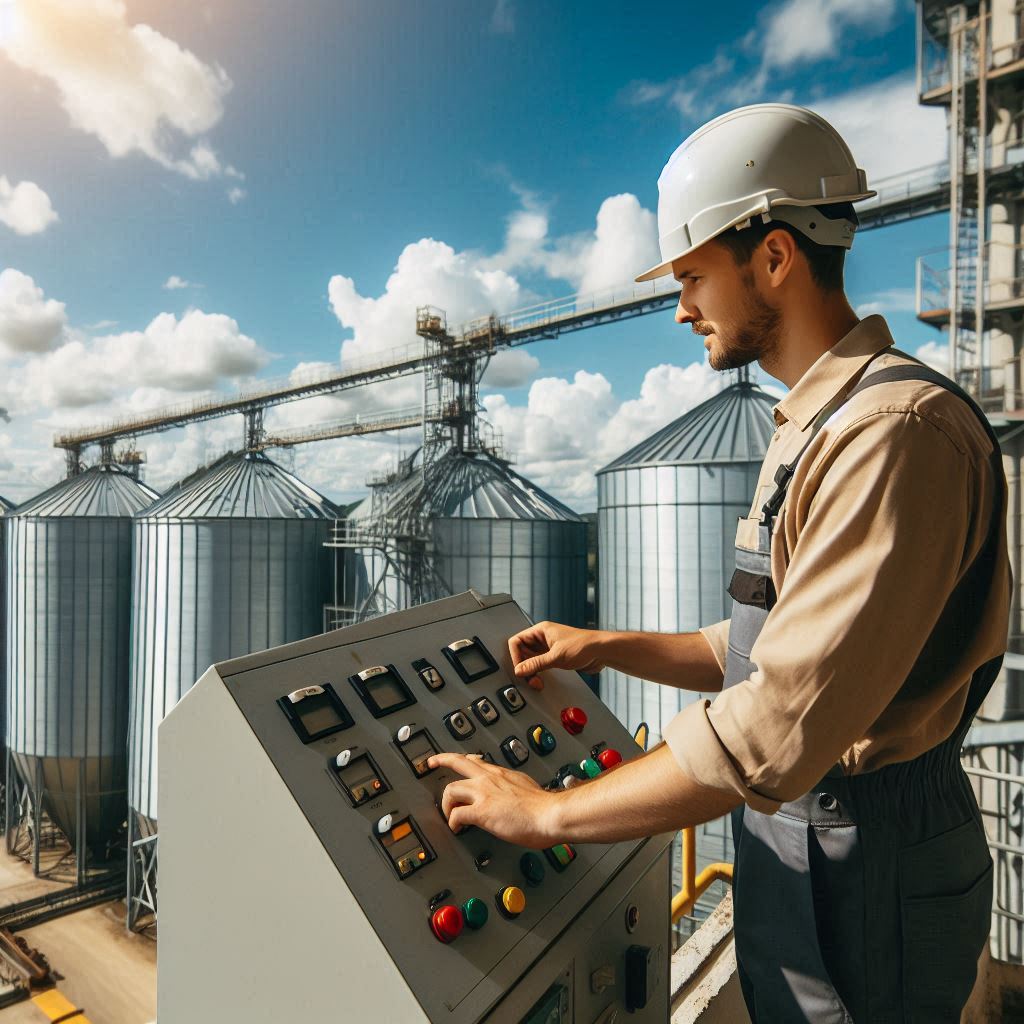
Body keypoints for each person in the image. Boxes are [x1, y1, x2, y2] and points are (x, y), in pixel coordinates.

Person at [428, 104, 1010, 1023]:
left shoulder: (892, 437)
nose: (680, 305)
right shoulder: (818, 424)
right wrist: (609, 645)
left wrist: (544, 814)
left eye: (694, 275)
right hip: (806, 840)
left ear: (774, 256)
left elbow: (777, 723)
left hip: (871, 867)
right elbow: (775, 646)